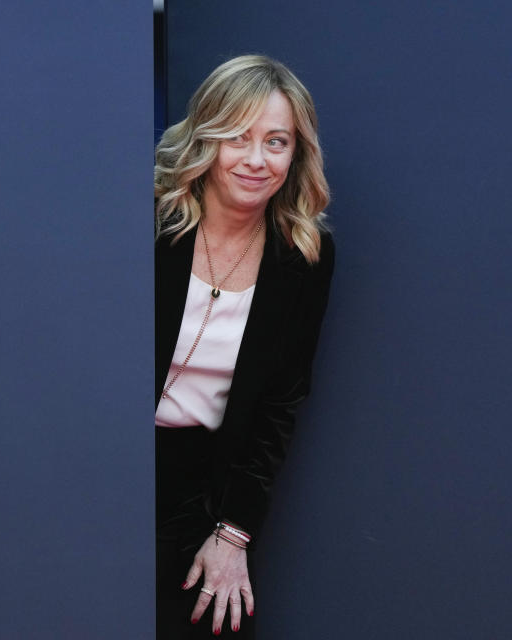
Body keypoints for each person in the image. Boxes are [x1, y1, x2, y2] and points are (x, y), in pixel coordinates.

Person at [154, 55, 335, 638]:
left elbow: (282, 401)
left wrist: (233, 532)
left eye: (276, 142)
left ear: (296, 153)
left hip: (201, 494)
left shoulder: (303, 257)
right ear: (206, 139)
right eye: (238, 137)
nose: (257, 160)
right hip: (97, 470)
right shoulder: (146, 225)